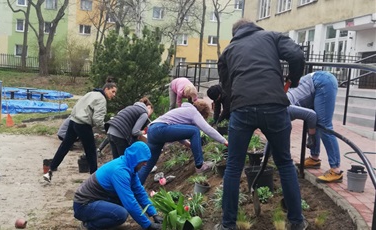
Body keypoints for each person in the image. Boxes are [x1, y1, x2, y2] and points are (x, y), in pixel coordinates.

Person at [216, 19, 306, 230]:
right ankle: (296, 222)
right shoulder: (271, 37)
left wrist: (239, 95)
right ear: (254, 26)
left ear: (235, 33)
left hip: (242, 109)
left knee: (233, 167)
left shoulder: (228, 52)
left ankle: (227, 225)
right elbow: (296, 55)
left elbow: (225, 86)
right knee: (284, 163)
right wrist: (294, 79)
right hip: (274, 105)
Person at [73, 142, 162, 230]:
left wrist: (154, 214)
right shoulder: (120, 171)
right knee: (120, 214)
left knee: (122, 206)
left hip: (98, 199)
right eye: (144, 161)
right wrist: (147, 225)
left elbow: (139, 191)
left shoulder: (129, 166)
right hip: (83, 205)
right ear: (136, 158)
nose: (145, 164)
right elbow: (129, 202)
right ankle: (88, 226)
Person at [137, 99, 228, 184]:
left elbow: (174, 131)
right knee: (195, 130)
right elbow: (207, 129)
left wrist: (186, 143)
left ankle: (134, 188)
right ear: (202, 113)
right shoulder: (193, 112)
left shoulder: (182, 111)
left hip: (152, 131)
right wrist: (224, 141)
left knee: (148, 165)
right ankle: (200, 166)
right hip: (160, 128)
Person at [43, 82, 117, 182]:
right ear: (106, 89)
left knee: (64, 146)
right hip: (83, 124)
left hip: (73, 121)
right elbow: (98, 120)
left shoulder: (91, 93)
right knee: (91, 151)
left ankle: (50, 171)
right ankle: (94, 179)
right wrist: (107, 130)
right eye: (113, 91)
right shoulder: (101, 99)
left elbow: (77, 106)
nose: (114, 95)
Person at [287, 71, 342, 183]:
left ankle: (336, 170)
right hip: (314, 85)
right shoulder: (278, 107)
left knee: (324, 125)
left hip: (322, 82)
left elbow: (311, 115)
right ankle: (314, 159)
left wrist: (311, 135)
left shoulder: (286, 108)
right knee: (312, 123)